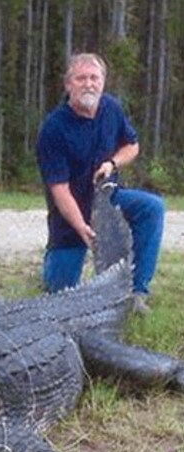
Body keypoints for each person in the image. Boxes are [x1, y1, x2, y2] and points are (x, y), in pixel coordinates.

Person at [36, 52, 164, 314]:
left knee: (152, 207)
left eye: (94, 78)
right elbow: (60, 191)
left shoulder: (111, 109)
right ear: (68, 84)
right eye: (81, 78)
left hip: (109, 199)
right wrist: (82, 228)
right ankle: (51, 266)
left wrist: (112, 163)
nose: (89, 84)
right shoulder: (53, 129)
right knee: (59, 295)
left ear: (103, 82)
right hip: (70, 215)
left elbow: (132, 145)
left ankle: (137, 292)